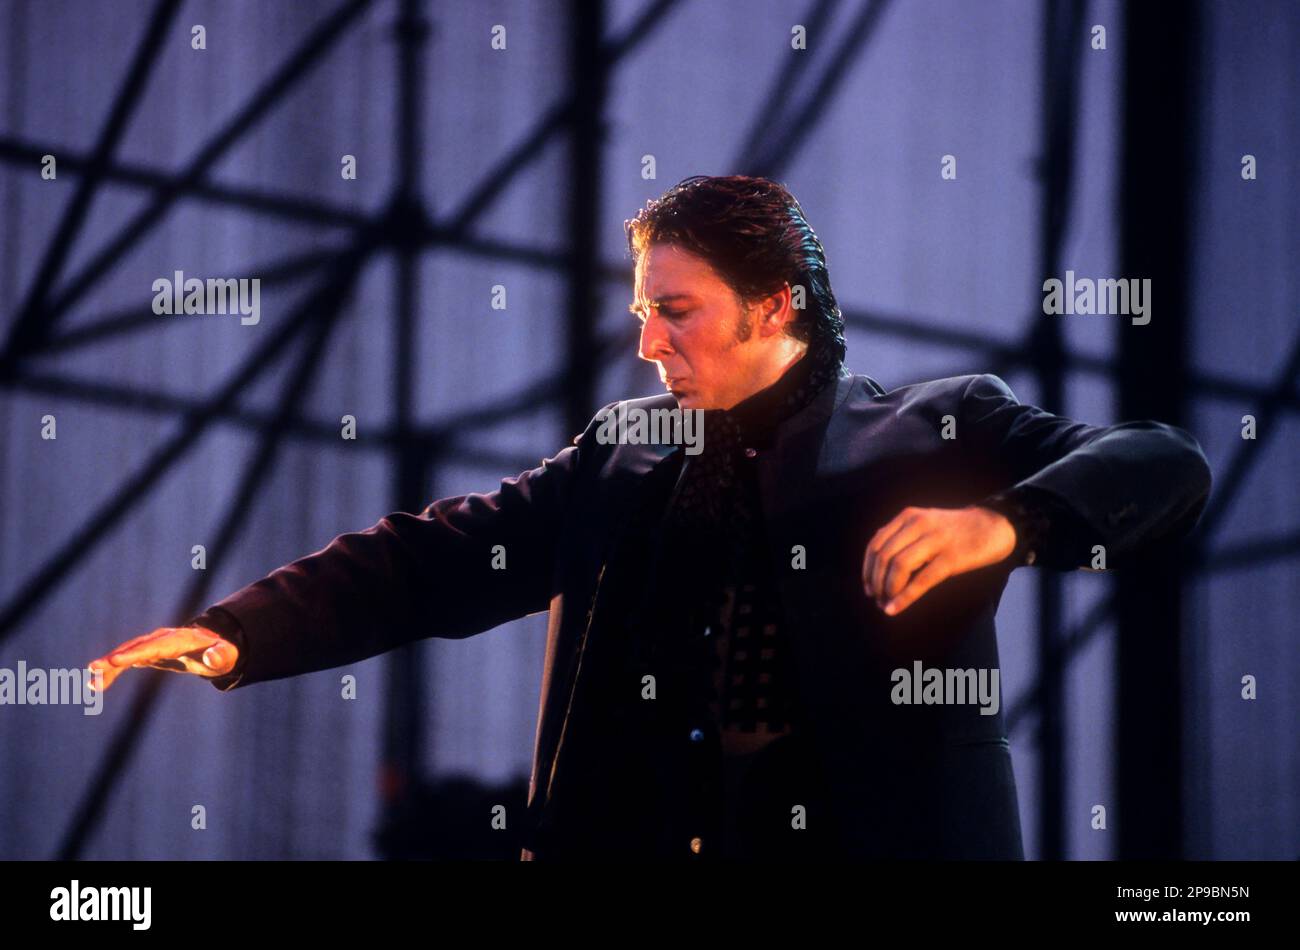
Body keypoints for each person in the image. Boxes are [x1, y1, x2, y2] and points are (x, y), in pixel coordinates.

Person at [89, 175, 1212, 860]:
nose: (646, 343)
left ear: (774, 304)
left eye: (675, 312)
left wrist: (1007, 521)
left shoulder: (932, 426)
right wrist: (243, 628)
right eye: (641, 311)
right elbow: (440, 557)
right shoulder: (626, 449)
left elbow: (1161, 461)